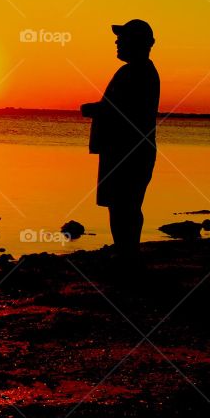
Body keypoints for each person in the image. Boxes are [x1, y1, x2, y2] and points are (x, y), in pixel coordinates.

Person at [81, 19, 160, 263]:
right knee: (124, 205)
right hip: (125, 150)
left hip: (126, 151)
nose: (117, 42)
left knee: (123, 204)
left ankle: (127, 255)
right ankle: (126, 253)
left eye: (122, 38)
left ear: (136, 42)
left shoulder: (137, 72)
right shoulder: (137, 71)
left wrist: (93, 109)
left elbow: (124, 111)